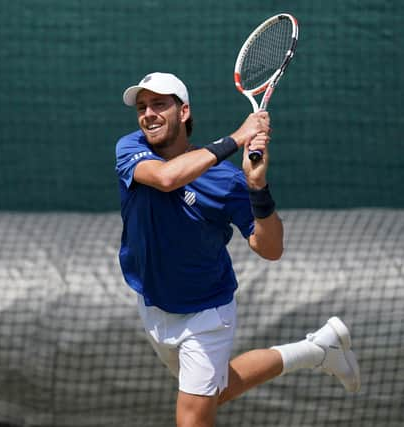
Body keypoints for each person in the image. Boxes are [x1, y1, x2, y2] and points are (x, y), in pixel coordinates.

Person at [114, 72, 360, 427]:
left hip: (206, 311)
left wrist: (257, 188)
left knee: (193, 418)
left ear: (183, 112)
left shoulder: (226, 182)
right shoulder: (130, 147)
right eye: (142, 107)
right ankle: (317, 349)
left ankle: (319, 350)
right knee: (215, 393)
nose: (148, 114)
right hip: (152, 302)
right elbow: (168, 179)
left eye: (159, 104)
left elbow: (270, 248)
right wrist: (236, 137)